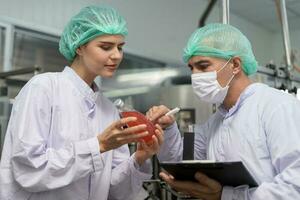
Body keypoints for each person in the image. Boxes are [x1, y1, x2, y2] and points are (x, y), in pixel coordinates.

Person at [0, 5, 164, 200]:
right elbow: (29, 170)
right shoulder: (43, 89)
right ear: (79, 46)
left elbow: (115, 192)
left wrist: (140, 158)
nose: (117, 55)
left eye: (120, 47)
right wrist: (98, 145)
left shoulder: (109, 110)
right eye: (106, 47)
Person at [147, 23, 300, 199]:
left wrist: (225, 196)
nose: (195, 75)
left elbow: (294, 187)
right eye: (192, 68)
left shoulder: (278, 107)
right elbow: (183, 165)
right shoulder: (216, 121)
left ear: (235, 64)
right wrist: (168, 128)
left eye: (203, 66)